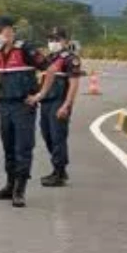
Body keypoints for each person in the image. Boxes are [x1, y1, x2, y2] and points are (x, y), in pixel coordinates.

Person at [0, 16, 46, 208]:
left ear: (9, 31)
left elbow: (50, 69)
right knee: (9, 148)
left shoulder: (25, 49)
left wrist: (40, 95)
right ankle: (9, 185)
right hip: (5, 106)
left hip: (22, 106)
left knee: (23, 148)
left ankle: (20, 191)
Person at [37, 28, 82, 187]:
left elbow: (74, 84)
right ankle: (59, 169)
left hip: (59, 102)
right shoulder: (49, 59)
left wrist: (66, 105)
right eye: (50, 39)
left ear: (65, 41)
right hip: (46, 102)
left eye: (56, 39)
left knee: (58, 137)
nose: (52, 43)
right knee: (47, 135)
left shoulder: (70, 59)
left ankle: (59, 171)